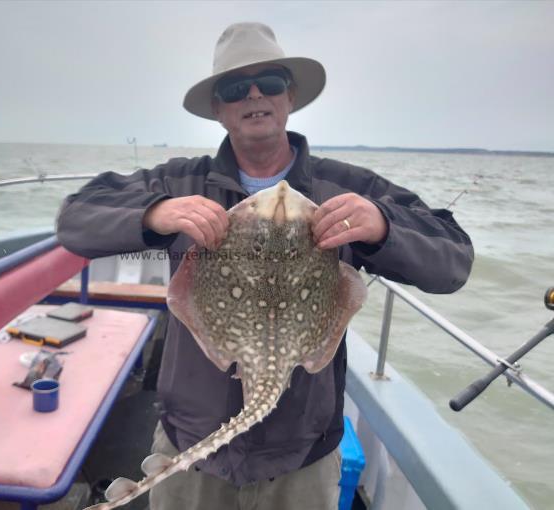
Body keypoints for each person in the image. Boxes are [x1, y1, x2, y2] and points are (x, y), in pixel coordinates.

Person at [57, 22, 473, 510]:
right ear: (218, 108)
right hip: (192, 448)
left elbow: (453, 260)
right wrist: (153, 213)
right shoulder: (180, 181)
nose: (254, 95)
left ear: (289, 95)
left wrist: (383, 225)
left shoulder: (345, 189)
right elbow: (75, 218)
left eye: (269, 83)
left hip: (300, 459)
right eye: (236, 88)